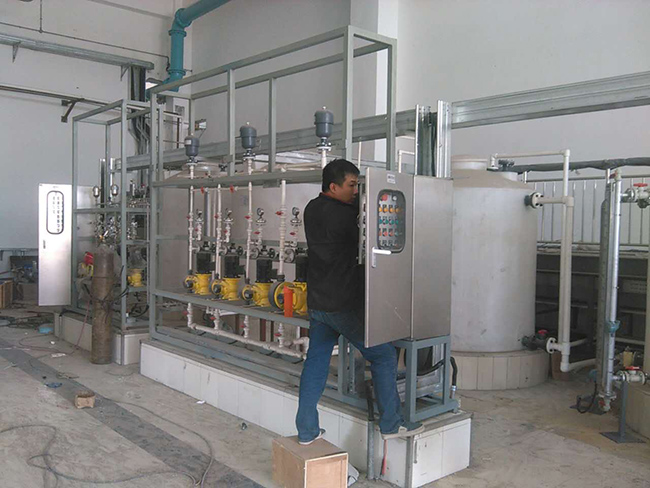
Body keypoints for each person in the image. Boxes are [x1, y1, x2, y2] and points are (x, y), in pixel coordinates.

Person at [295, 158, 424, 445]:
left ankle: (307, 431)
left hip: (318, 302)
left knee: (316, 363)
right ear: (333, 186)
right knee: (383, 356)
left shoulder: (312, 208)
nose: (355, 191)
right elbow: (379, 232)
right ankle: (391, 423)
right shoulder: (344, 216)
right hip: (342, 304)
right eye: (352, 185)